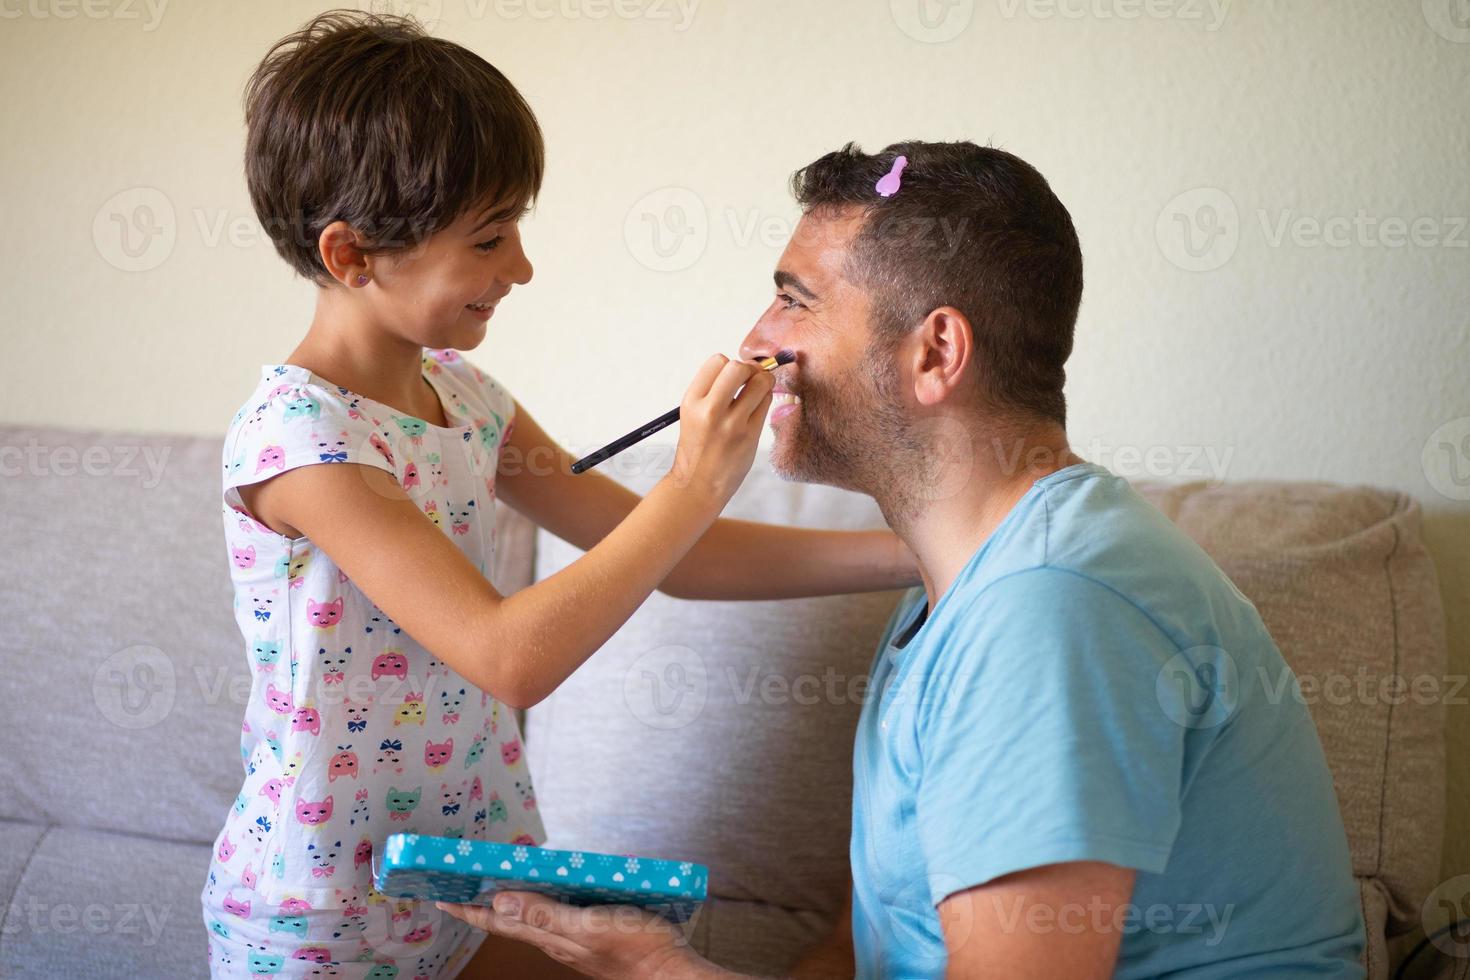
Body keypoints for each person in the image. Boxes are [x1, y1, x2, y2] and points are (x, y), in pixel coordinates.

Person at [439, 141, 1367, 979]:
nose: (756, 343)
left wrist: (656, 972)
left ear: (937, 353)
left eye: (794, 300)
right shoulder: (964, 585)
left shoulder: (1048, 611)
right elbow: (875, 940)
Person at [201, 15, 919, 978]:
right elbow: (510, 658)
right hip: (322, 913)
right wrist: (694, 479)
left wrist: (920, 549)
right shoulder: (301, 443)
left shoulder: (464, 398)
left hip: (471, 877)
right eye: (489, 238)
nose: (521, 268)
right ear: (350, 254)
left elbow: (682, 557)